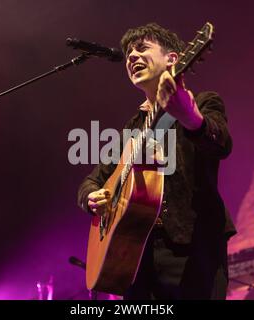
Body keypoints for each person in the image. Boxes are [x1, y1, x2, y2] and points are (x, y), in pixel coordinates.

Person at [77, 23, 236, 300]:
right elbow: (91, 181)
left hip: (192, 247)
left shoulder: (203, 101)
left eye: (142, 48)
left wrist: (192, 119)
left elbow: (221, 143)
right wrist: (92, 197)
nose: (131, 57)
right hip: (136, 255)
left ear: (174, 59)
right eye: (128, 53)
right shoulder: (131, 129)